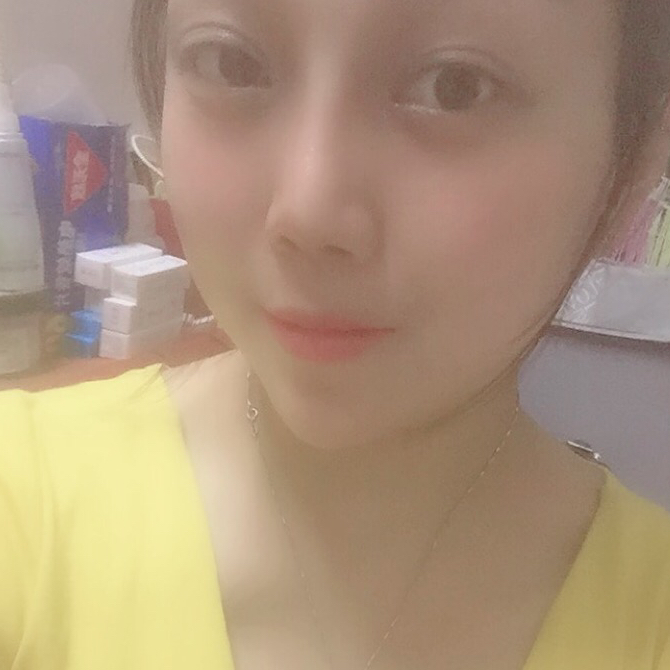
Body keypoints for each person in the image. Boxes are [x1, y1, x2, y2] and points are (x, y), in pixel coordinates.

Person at [3, 0, 670, 668]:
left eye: (456, 87)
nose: (308, 212)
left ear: (633, 160)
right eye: (231, 63)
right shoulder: (25, 503)